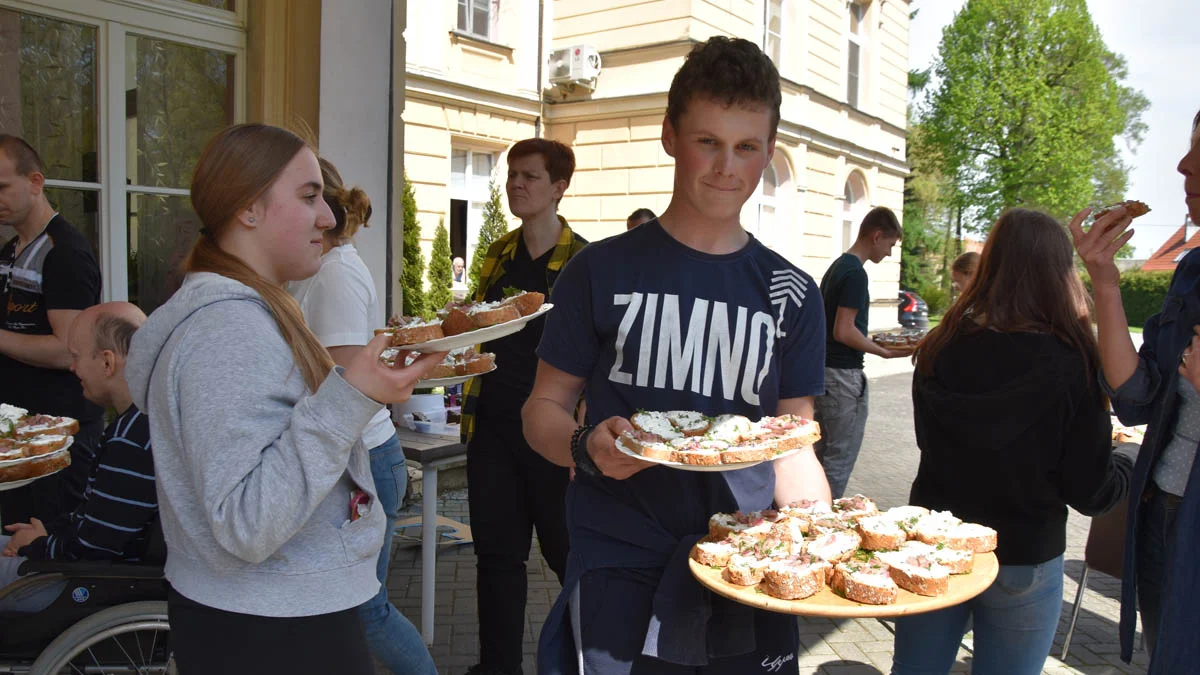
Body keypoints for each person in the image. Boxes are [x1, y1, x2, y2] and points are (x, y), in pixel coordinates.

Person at [522, 36, 830, 674]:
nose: (726, 166)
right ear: (670, 136)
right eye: (707, 141)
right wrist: (585, 448)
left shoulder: (793, 294)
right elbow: (543, 408)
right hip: (619, 558)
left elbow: (792, 441)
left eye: (747, 146)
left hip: (743, 563)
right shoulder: (596, 270)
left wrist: (818, 538)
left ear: (769, 151)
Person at [125, 123, 446, 674]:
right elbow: (246, 521)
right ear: (249, 209)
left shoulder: (250, 311)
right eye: (309, 196)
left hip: (273, 612)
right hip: (274, 627)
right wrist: (351, 397)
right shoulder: (229, 327)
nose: (329, 216)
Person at [893, 208, 1133, 675]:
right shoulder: (1074, 360)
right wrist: (1128, 460)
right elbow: (1089, 490)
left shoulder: (941, 345)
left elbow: (932, 443)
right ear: (1061, 270)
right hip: (1024, 552)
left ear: (991, 263)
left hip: (933, 545)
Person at [287, 158, 436, 674]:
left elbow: (350, 378)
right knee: (347, 611)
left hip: (366, 459)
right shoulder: (321, 270)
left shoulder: (335, 276)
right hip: (356, 455)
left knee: (365, 610)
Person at [1070, 107, 1200, 674]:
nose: (1183, 165)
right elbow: (1136, 395)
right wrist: (1104, 279)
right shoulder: (1191, 270)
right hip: (1159, 512)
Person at [460, 137, 587, 675]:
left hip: (553, 437)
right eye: (513, 174)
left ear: (559, 188)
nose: (516, 183)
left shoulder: (585, 262)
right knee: (496, 561)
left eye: (530, 176)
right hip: (492, 430)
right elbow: (478, 325)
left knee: (569, 561)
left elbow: (602, 355)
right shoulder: (498, 253)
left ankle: (589, 662)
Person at [0, 302, 156, 614]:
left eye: (76, 356)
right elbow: (99, 525)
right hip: (83, 571)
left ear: (107, 363)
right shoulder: (140, 422)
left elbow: (96, 547)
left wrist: (37, 545)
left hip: (84, 585)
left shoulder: (130, 440)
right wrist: (47, 532)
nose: (72, 368)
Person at [0, 134, 103, 527]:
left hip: (58, 434)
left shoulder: (65, 253)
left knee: (49, 547)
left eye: (2, 186)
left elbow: (68, 349)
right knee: (14, 542)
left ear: (36, 182)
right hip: (19, 431)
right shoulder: (10, 250)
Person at [814, 206, 908, 499]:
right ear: (877, 235)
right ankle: (824, 524)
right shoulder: (856, 274)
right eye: (890, 245)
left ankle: (807, 518)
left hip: (824, 375)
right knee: (838, 460)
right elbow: (843, 330)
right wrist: (882, 351)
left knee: (820, 455)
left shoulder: (838, 267)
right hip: (843, 379)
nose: (890, 253)